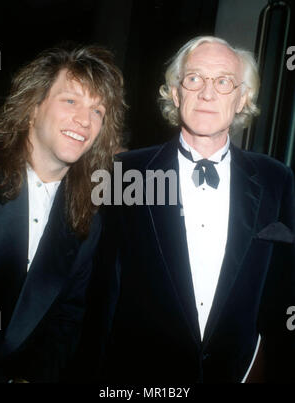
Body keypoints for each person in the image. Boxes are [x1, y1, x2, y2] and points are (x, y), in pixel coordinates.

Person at [96, 36, 295, 384]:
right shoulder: (124, 174)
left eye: (223, 82)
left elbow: (283, 289)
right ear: (176, 93)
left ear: (242, 98)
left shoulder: (276, 179)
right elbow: (99, 292)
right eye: (194, 79)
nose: (207, 93)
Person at [0, 43, 125, 383]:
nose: (84, 120)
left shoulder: (86, 218)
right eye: (71, 101)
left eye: (98, 111)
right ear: (32, 108)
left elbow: (67, 320)